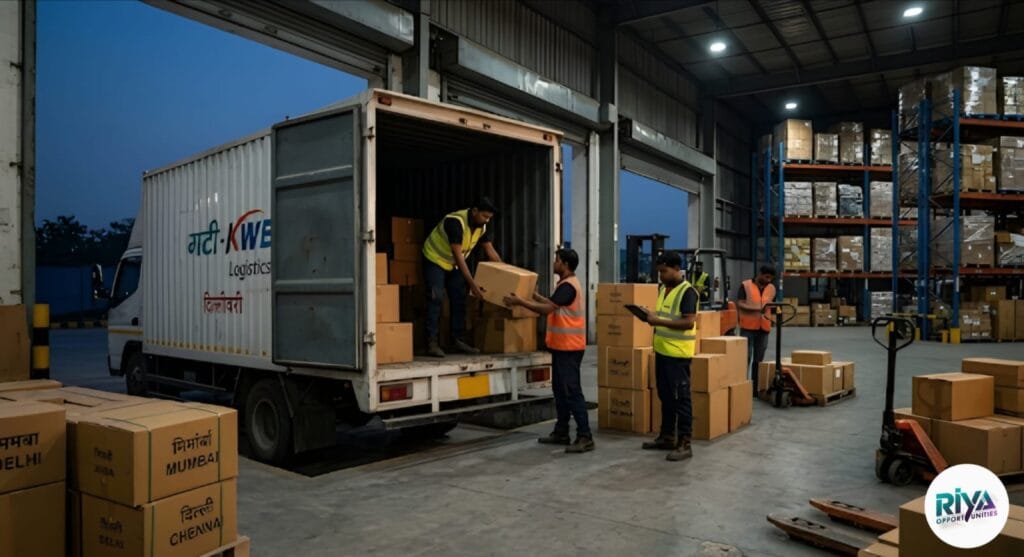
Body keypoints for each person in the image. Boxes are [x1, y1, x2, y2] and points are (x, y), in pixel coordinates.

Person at [504, 249, 593, 453]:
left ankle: (585, 436)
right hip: (562, 347)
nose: (554, 263)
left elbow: (547, 310)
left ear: (565, 264)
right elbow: (553, 304)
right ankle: (561, 432)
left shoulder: (568, 286)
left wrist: (520, 302)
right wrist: (534, 296)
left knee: (572, 392)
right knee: (560, 391)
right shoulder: (565, 285)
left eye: (557, 260)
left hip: (569, 348)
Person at [422, 198, 502, 358]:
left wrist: (506, 272)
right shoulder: (455, 222)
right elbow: (458, 257)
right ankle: (431, 343)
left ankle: (457, 340)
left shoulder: (481, 227)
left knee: (459, 297)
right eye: (485, 216)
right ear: (474, 211)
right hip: (435, 258)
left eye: (489, 218)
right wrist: (473, 285)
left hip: (453, 263)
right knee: (436, 297)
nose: (487, 220)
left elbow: (490, 251)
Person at [640, 251, 698, 462]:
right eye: (659, 272)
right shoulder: (664, 289)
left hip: (678, 355)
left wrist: (657, 321)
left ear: (676, 269)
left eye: (664, 271)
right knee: (665, 396)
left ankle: (685, 443)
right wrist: (650, 315)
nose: (661, 275)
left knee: (682, 398)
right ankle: (667, 436)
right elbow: (666, 317)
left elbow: (688, 322)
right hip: (663, 352)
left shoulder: (688, 292)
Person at [736, 266, 778, 395]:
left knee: (759, 360)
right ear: (760, 274)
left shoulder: (772, 288)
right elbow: (740, 303)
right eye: (766, 277)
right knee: (746, 358)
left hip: (764, 327)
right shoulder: (746, 285)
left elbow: (773, 304)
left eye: (771, 278)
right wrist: (756, 309)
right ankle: (743, 386)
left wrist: (774, 315)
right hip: (748, 327)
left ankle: (755, 388)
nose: (768, 280)